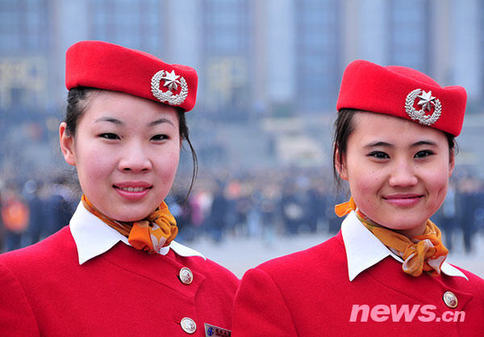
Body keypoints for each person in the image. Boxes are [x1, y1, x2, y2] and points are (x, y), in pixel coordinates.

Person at [0, 41, 238, 336]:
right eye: (111, 135)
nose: (136, 162)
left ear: (180, 144)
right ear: (68, 143)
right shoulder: (17, 284)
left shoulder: (225, 289)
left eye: (159, 136)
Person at [231, 60, 484, 336]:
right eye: (379, 155)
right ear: (341, 162)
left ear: (450, 163)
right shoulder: (279, 291)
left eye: (423, 154)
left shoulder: (476, 296)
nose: (403, 178)